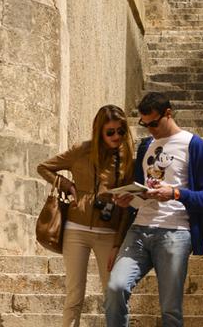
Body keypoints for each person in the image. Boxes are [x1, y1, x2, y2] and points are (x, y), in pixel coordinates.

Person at [105, 92, 203, 327]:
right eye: (145, 125)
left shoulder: (193, 144)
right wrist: (129, 198)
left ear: (168, 114)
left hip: (174, 233)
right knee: (115, 287)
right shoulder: (146, 145)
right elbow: (141, 190)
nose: (150, 129)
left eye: (154, 123)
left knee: (170, 310)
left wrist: (176, 193)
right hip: (138, 230)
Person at [38, 104, 136, 327]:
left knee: (113, 293)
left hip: (108, 233)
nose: (116, 136)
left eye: (121, 131)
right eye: (110, 132)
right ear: (99, 131)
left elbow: (126, 210)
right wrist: (66, 184)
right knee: (74, 295)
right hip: (76, 231)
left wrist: (117, 244)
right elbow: (44, 167)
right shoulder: (81, 150)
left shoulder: (127, 158)